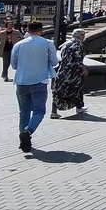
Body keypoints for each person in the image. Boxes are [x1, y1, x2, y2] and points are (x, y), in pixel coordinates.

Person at [11, 21, 58, 152]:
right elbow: (54, 62)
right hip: (39, 81)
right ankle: (28, 131)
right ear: (41, 30)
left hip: (21, 81)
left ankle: (24, 140)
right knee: (39, 111)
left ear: (28, 30)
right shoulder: (47, 44)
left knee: (24, 111)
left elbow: (14, 65)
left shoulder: (19, 45)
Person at [51, 28, 87, 118]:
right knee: (77, 89)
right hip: (73, 72)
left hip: (62, 71)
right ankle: (79, 107)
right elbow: (78, 59)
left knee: (58, 90)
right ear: (78, 35)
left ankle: (54, 111)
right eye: (83, 35)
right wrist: (84, 69)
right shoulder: (78, 44)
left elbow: (62, 56)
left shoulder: (66, 43)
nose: (84, 37)